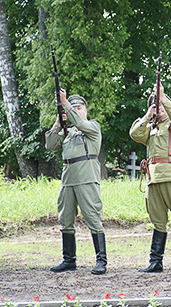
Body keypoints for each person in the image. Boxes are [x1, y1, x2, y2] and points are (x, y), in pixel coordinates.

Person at [129, 82, 171, 273]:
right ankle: (155, 261)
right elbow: (134, 133)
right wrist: (148, 116)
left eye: (159, 106)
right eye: (154, 105)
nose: (158, 109)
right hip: (154, 179)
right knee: (158, 221)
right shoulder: (151, 128)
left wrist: (163, 98)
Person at [45, 89, 107, 275]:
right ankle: (69, 260)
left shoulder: (92, 127)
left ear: (85, 110)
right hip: (68, 180)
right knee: (65, 219)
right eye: (74, 108)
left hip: (87, 179)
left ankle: (101, 261)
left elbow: (79, 121)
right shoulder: (69, 132)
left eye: (79, 108)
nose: (76, 111)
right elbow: (50, 145)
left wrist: (66, 104)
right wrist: (58, 122)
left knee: (92, 217)